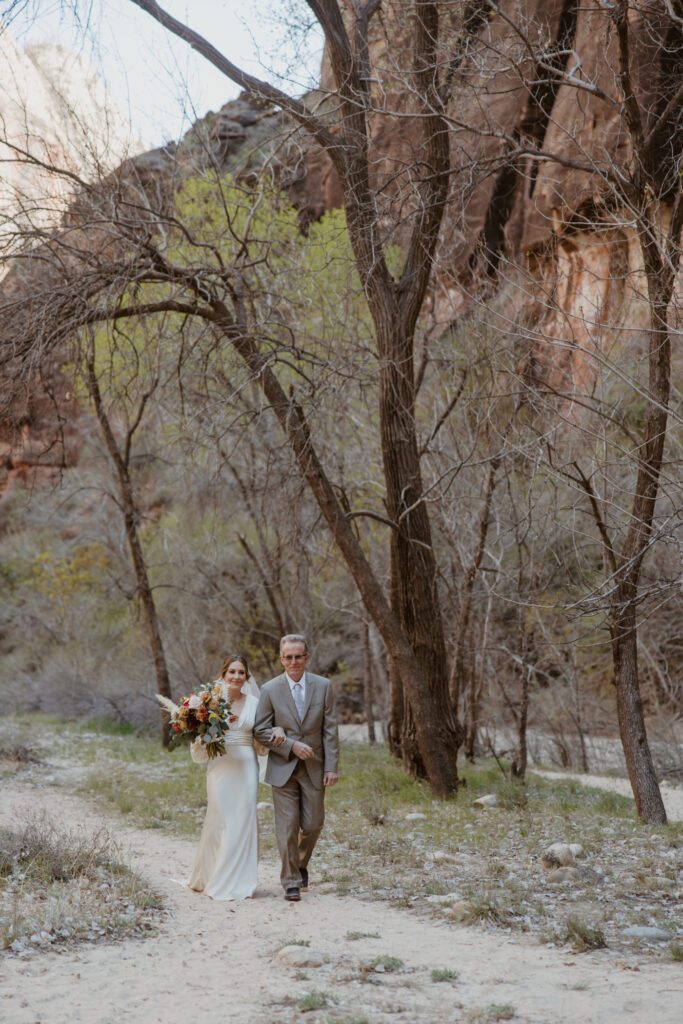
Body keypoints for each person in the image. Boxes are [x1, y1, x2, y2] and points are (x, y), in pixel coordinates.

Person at [186, 654, 284, 900]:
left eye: (241, 672)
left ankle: (238, 880)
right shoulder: (211, 702)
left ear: (246, 677)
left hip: (246, 766)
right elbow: (199, 734)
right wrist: (202, 734)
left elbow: (262, 732)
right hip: (220, 766)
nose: (236, 676)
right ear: (223, 674)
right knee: (219, 816)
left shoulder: (255, 703)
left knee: (243, 817)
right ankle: (210, 875)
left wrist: (278, 730)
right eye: (232, 672)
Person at [254, 634, 339, 901]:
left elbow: (330, 729)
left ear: (306, 658)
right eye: (288, 657)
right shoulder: (269, 690)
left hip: (315, 766)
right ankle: (290, 880)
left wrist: (331, 766)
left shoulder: (323, 686)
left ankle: (300, 864)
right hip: (283, 768)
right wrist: (290, 745)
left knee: (313, 824)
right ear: (281, 659)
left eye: (298, 656)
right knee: (287, 826)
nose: (294, 661)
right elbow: (260, 730)